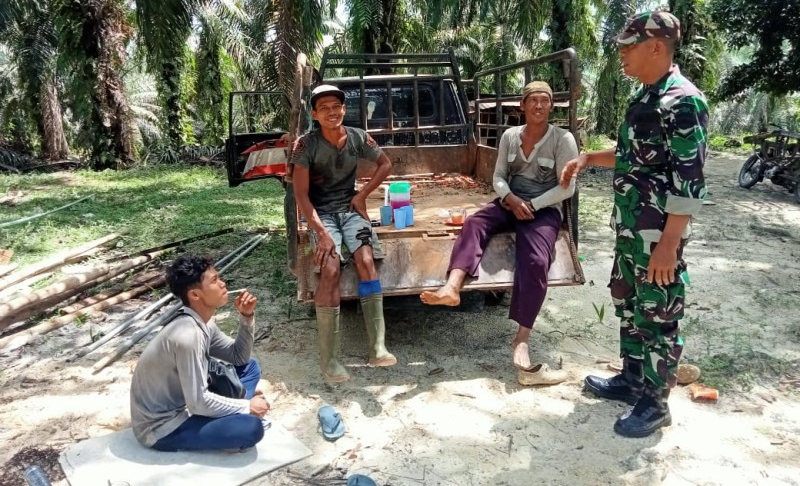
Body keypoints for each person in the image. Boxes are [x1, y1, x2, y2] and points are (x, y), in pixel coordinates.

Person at [560, 10, 708, 438]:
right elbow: (631, 156)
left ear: (656, 47)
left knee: (658, 314)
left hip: (657, 235)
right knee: (628, 303)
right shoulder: (646, 98)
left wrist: (668, 244)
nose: (621, 55)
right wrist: (589, 157)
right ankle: (632, 379)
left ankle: (656, 402)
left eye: (629, 47)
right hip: (630, 229)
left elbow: (689, 180)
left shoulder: (683, 100)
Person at [421, 81, 579, 385]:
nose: (538, 106)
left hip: (544, 208)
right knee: (474, 223)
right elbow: (498, 178)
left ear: (551, 106)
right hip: (511, 201)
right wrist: (510, 199)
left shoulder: (563, 139)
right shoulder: (509, 136)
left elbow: (566, 187)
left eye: (544, 101)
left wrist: (531, 204)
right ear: (522, 106)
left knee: (535, 260)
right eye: (532, 100)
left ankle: (521, 339)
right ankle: (452, 288)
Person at [291, 84, 396, 384]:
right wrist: (322, 233)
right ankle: (331, 362)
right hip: (319, 214)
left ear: (343, 109)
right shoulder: (305, 145)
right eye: (324, 108)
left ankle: (378, 347)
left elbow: (385, 163)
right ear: (314, 114)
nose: (332, 112)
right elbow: (300, 195)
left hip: (349, 209)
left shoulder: (357, 137)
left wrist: (362, 195)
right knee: (331, 268)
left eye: (336, 106)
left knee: (366, 260)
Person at [130, 255, 269, 451]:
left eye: (219, 278)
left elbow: (239, 357)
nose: (223, 284)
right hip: (162, 428)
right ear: (195, 295)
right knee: (252, 429)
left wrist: (246, 317)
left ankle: (237, 407)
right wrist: (248, 407)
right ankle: (242, 407)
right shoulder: (188, 335)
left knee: (250, 367)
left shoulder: (203, 323)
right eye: (214, 281)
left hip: (190, 402)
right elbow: (198, 403)